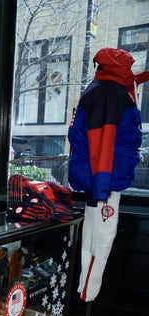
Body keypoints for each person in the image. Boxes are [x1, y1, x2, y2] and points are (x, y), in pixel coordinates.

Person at [68, 47, 149, 302]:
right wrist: (102, 188)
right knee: (102, 238)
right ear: (120, 68)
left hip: (102, 177)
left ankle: (85, 291)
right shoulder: (112, 95)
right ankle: (87, 297)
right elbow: (103, 144)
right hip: (105, 179)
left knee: (95, 235)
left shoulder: (100, 89)